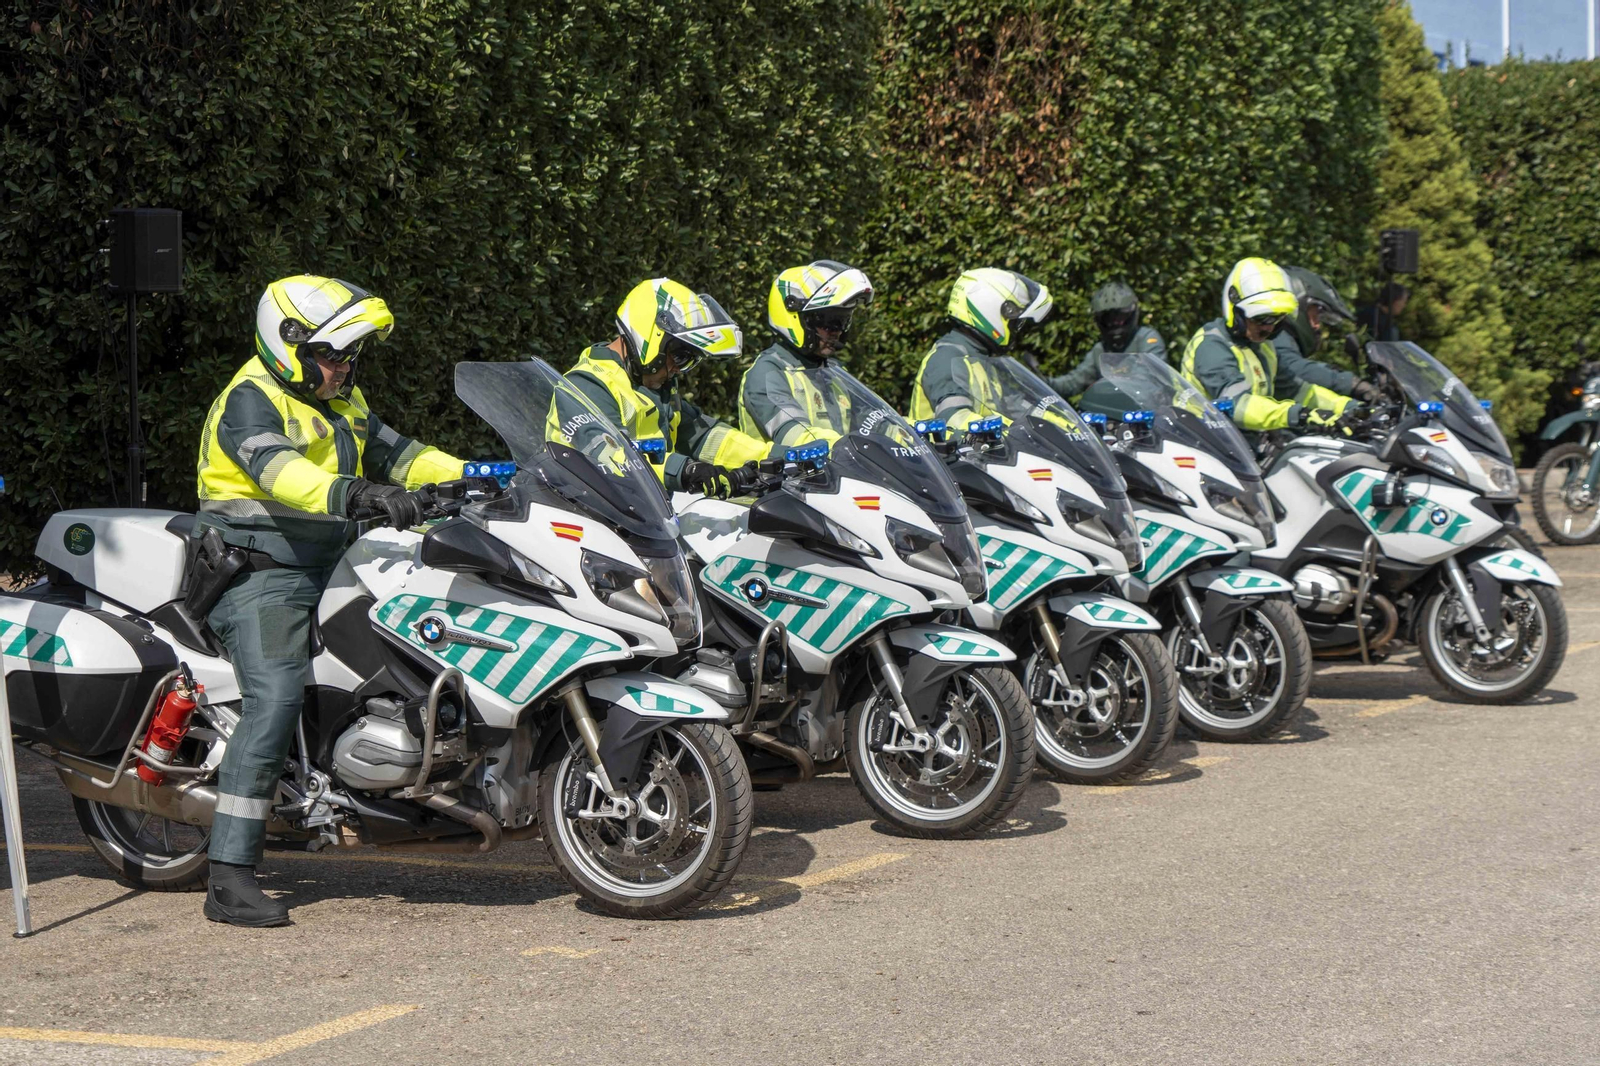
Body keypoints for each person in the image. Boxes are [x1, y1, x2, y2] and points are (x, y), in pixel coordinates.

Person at [195, 275, 463, 927]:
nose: (344, 365)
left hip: (340, 559)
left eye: (349, 354)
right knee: (276, 695)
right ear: (287, 342)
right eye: (332, 353)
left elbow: (402, 452)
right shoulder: (249, 401)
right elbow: (284, 473)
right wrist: (361, 496)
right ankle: (228, 875)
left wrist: (480, 476)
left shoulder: (342, 397)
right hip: (265, 569)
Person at [564, 278, 769, 497]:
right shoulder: (587, 384)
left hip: (646, 516)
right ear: (651, 337)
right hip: (584, 513)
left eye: (690, 361)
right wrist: (686, 470)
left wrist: (774, 456)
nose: (680, 370)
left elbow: (703, 436)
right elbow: (610, 456)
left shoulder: (652, 385)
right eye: (681, 356)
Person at [1179, 257, 1358, 433]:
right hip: (1203, 446)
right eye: (1261, 318)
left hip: (1242, 447)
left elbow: (1299, 391)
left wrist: (1350, 407)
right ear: (1235, 307)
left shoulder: (1263, 347)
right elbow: (1237, 405)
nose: (1268, 327)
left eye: (1277, 318)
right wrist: (1301, 415)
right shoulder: (1213, 346)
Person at [739, 259, 877, 447]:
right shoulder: (768, 373)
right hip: (786, 476)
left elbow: (874, 420)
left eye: (843, 321)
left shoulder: (834, 372)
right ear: (795, 317)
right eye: (828, 321)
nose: (836, 331)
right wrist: (849, 448)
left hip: (838, 473)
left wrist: (913, 432)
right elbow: (795, 435)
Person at [908, 267, 1055, 430]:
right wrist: (1013, 431)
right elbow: (954, 418)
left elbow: (1018, 406)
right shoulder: (948, 358)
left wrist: (1067, 426)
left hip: (988, 454)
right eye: (1015, 323)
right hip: (945, 455)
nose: (1018, 330)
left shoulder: (984, 359)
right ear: (989, 310)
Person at [1048, 281, 1165, 399]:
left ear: (1132, 313)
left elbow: (1149, 376)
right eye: (1108, 318)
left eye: (1120, 317)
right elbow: (1072, 383)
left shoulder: (1147, 338)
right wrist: (1043, 382)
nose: (1114, 323)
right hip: (1113, 412)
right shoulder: (1101, 350)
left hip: (1149, 410)